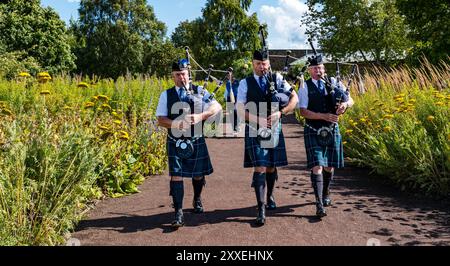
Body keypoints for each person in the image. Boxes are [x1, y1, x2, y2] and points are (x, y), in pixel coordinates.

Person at [156, 59, 222, 228]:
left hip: (195, 139)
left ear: (188, 74)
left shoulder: (200, 90)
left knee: (198, 174)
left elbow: (217, 107)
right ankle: (178, 211)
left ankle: (197, 198)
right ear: (172, 76)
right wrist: (176, 124)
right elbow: (161, 120)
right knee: (176, 175)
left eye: (183, 74)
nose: (181, 78)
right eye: (177, 75)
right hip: (175, 141)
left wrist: (201, 116)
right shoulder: (166, 95)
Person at [236, 50, 299, 226]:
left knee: (271, 167)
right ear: (252, 64)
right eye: (258, 64)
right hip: (255, 128)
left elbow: (294, 98)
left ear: (268, 64)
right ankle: (261, 207)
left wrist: (281, 113)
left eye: (264, 64)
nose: (262, 67)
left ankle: (269, 194)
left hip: (274, 127)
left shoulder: (278, 78)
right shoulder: (244, 83)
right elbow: (240, 108)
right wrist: (259, 120)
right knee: (260, 167)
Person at [297, 54, 354, 218]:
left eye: (320, 67)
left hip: (331, 129)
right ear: (309, 71)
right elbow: (303, 111)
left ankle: (326, 192)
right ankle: (319, 203)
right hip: (313, 129)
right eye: (314, 68)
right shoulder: (305, 86)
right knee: (318, 166)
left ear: (324, 68)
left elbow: (351, 100)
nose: (318, 71)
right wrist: (323, 116)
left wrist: (344, 105)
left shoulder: (334, 82)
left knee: (329, 166)